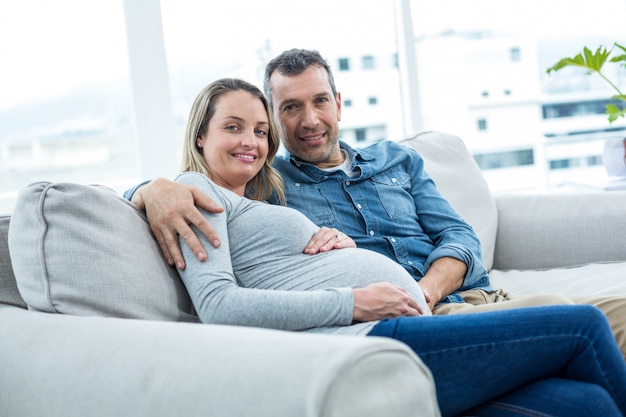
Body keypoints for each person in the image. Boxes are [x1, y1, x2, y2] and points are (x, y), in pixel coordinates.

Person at [165, 77, 626, 417]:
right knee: (582, 325)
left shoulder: (258, 194)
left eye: (260, 131)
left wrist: (339, 248)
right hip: (369, 339)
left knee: (586, 404)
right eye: (233, 127)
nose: (250, 141)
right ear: (200, 135)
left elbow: (456, 234)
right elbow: (218, 305)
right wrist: (355, 300)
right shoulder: (192, 191)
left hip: (409, 331)